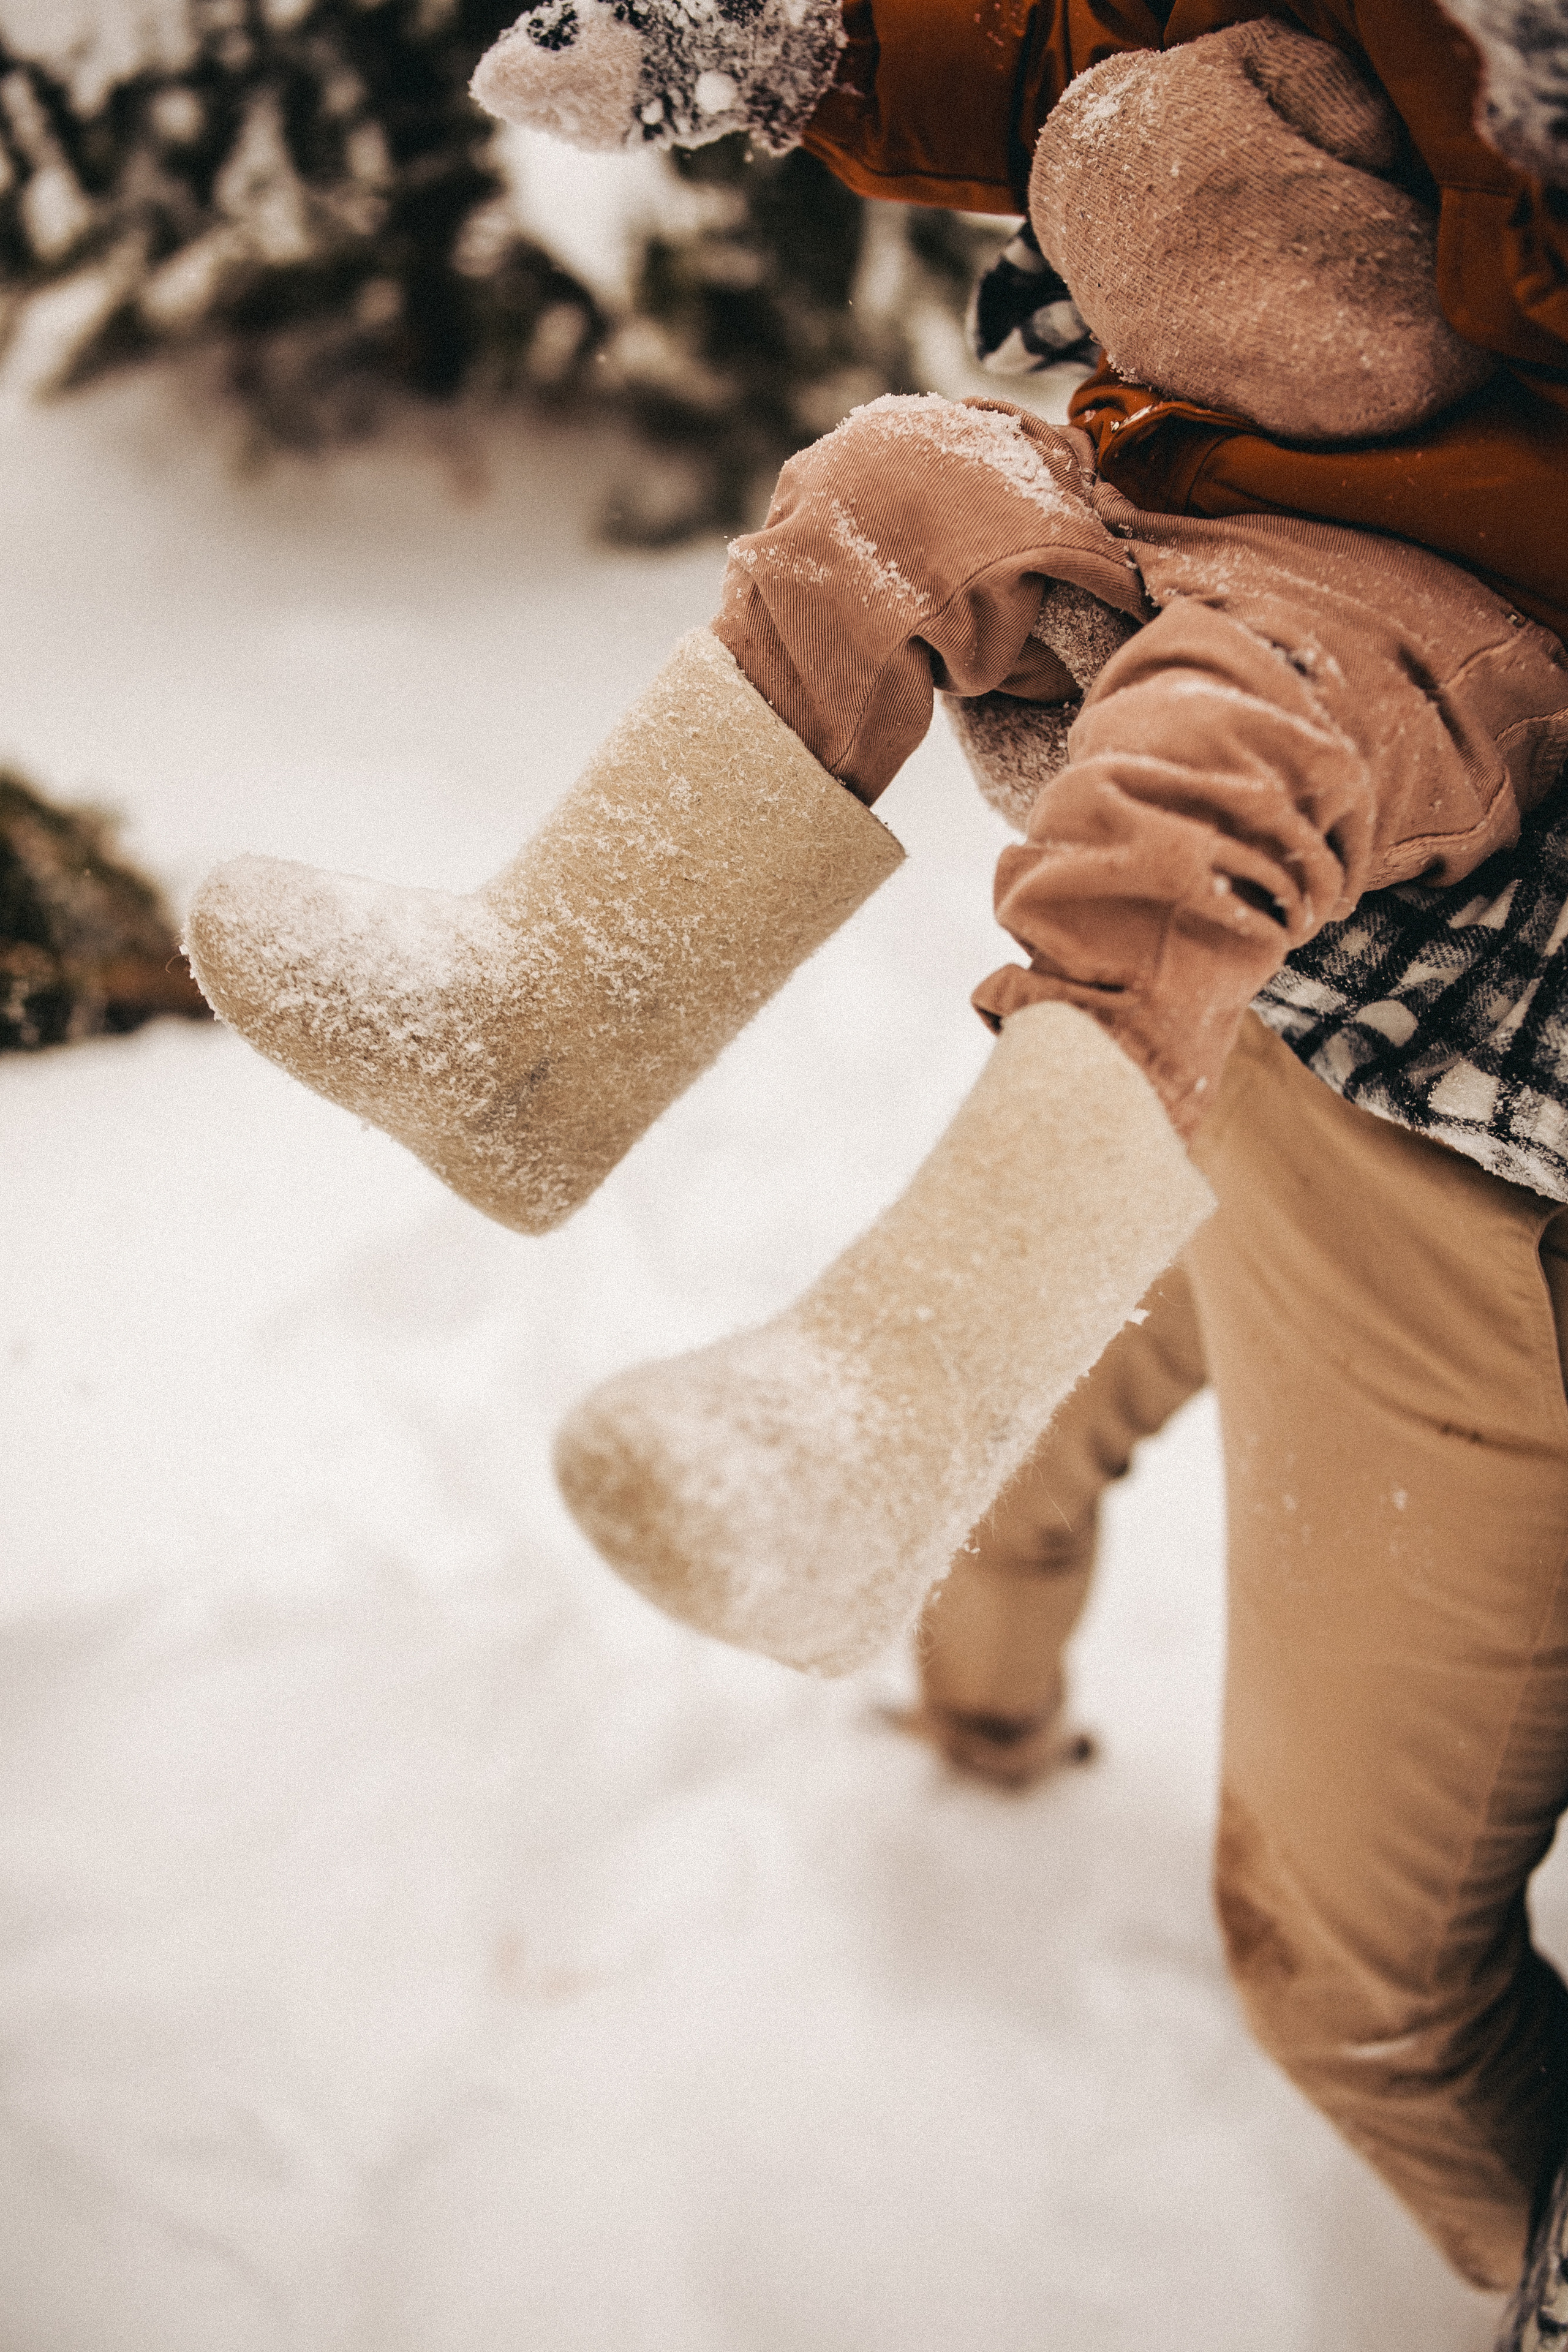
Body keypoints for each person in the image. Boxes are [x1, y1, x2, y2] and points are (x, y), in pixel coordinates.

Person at [184, 7, 1568, 2307]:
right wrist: (790, 47)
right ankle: (540, 1021)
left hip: (1432, 724)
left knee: (1350, 1972)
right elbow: (1044, 38)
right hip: (1211, 589)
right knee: (893, 486)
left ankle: (896, 1393)